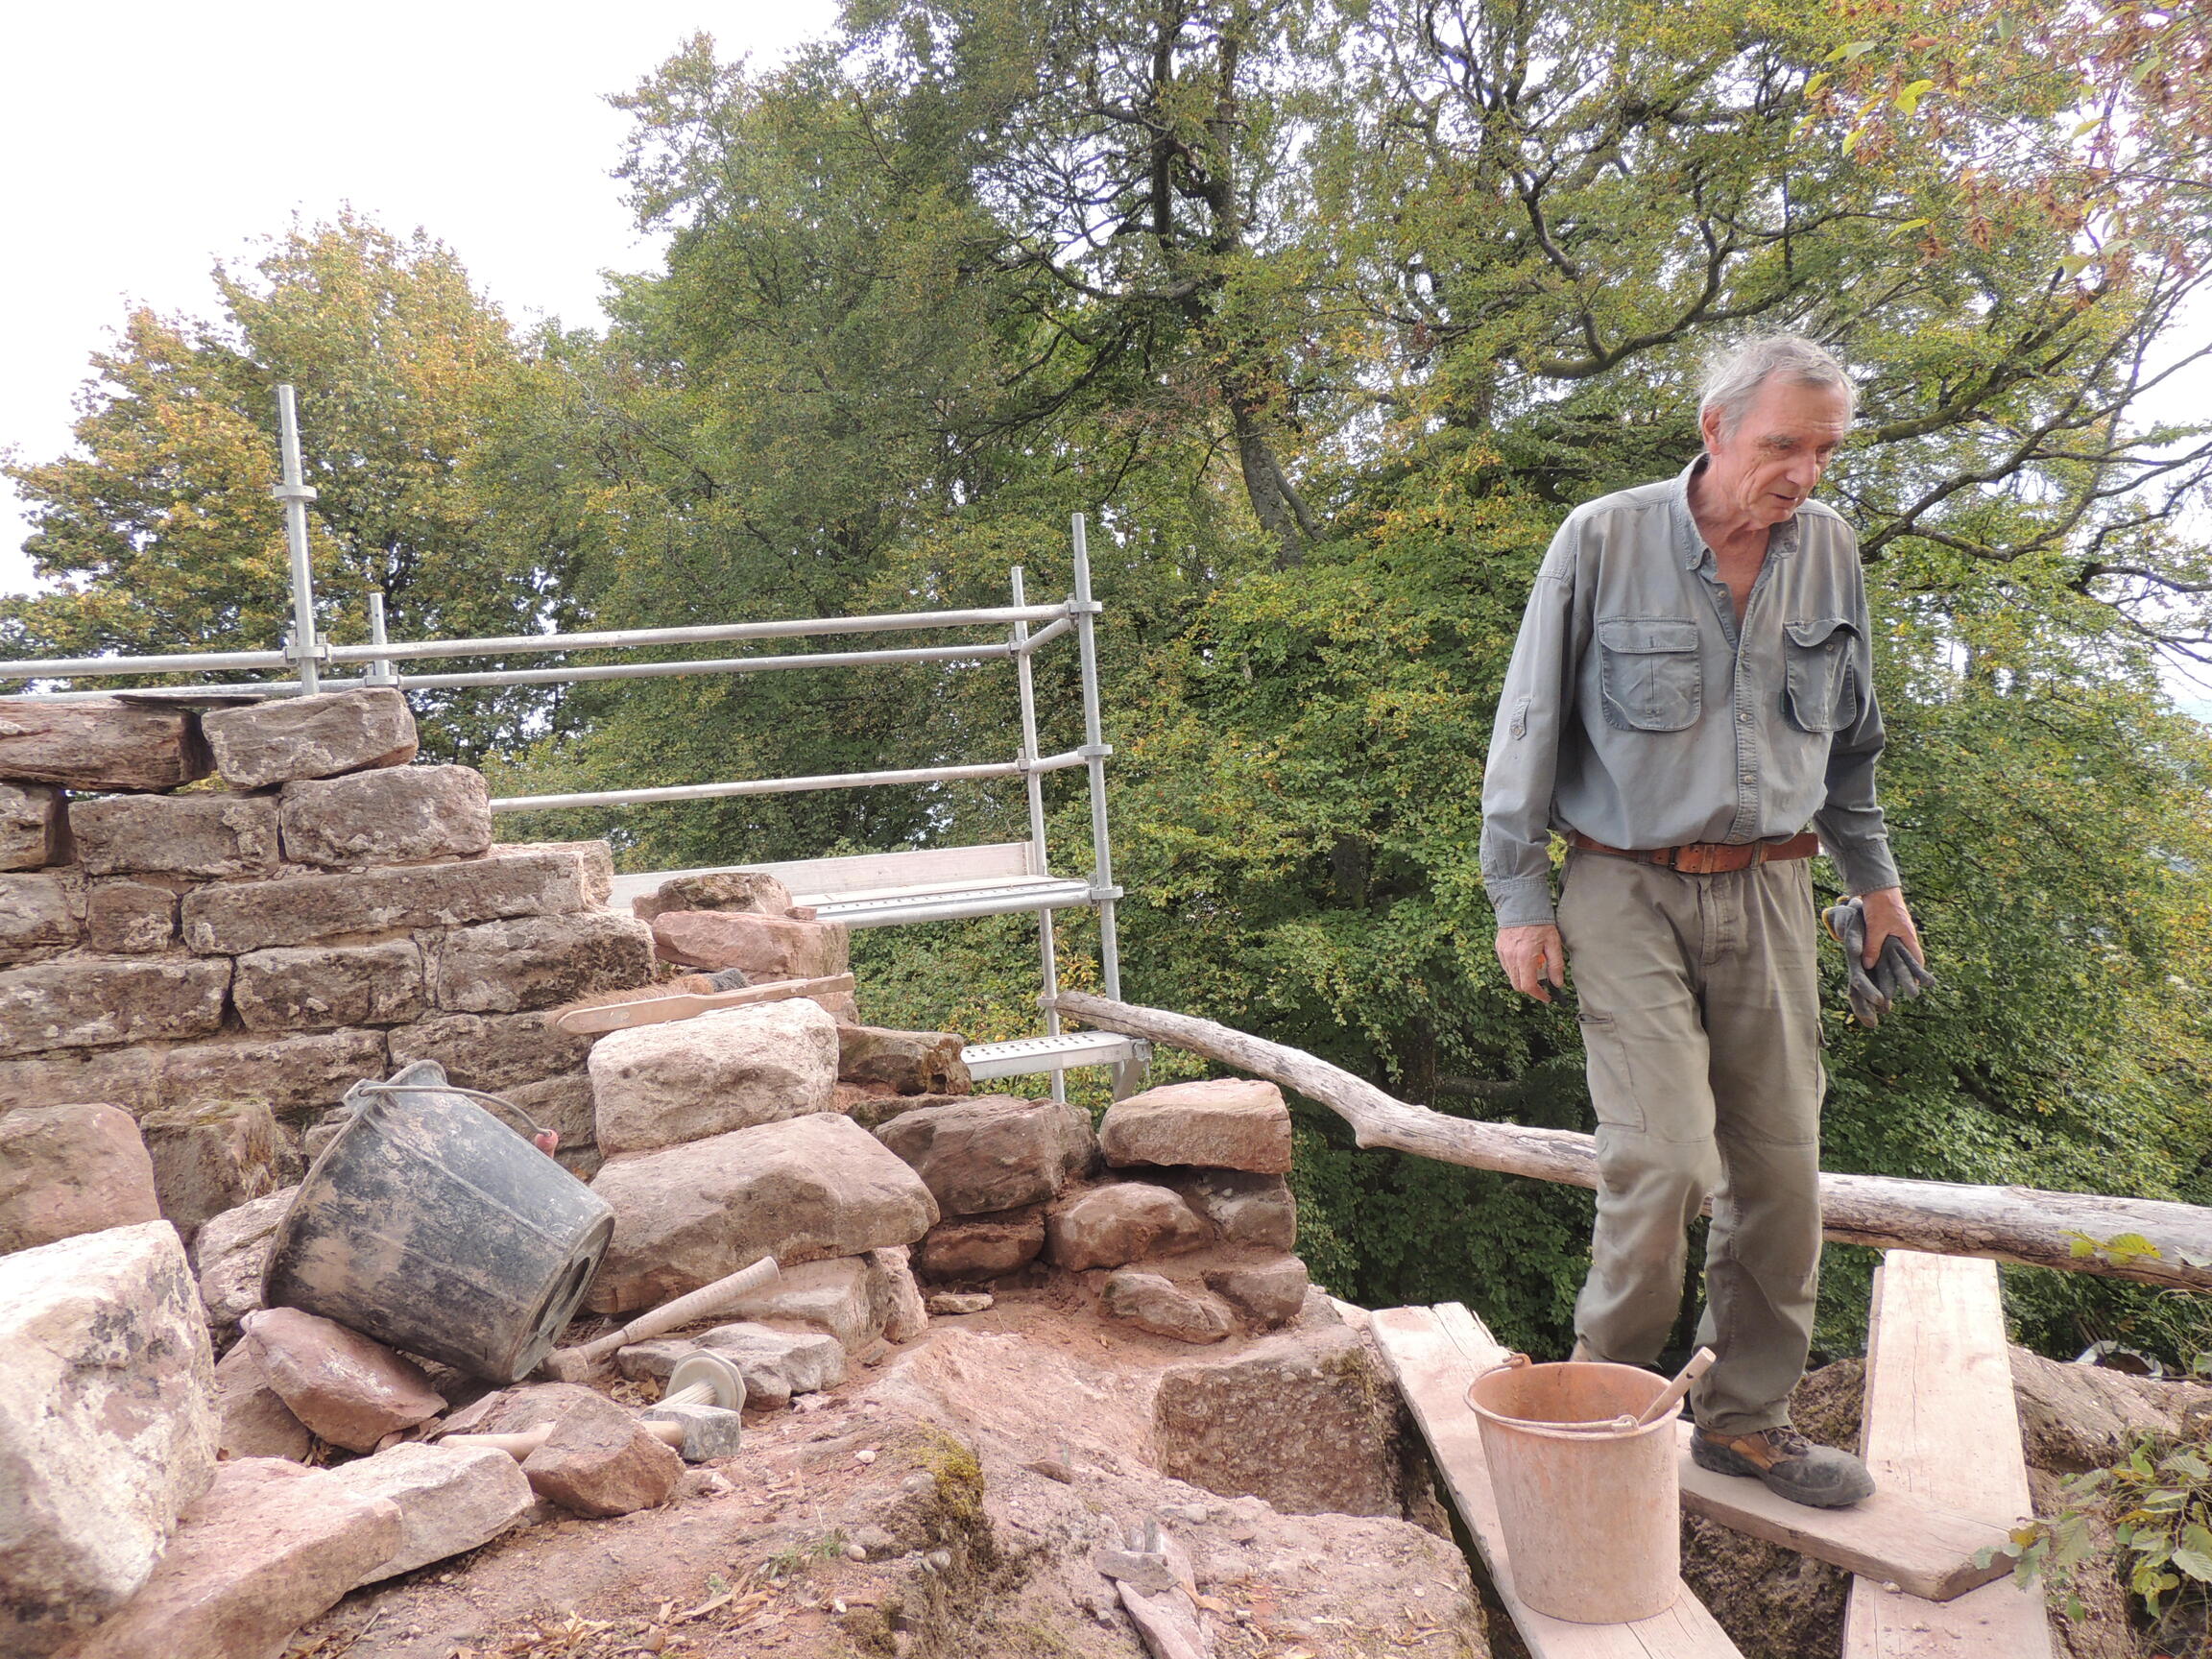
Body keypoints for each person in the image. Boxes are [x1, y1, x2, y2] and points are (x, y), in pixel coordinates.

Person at [1478, 335, 1925, 1509]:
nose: (1805, 474)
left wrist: (1877, 886)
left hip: (1774, 891)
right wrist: (1519, 899)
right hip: (1624, 885)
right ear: (1716, 428)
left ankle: (1744, 1424)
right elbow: (1527, 725)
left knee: (1782, 1175)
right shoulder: (1602, 538)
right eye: (1784, 445)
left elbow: (1853, 745)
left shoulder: (1830, 551)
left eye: (1825, 450)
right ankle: (1604, 1412)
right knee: (1665, 1159)